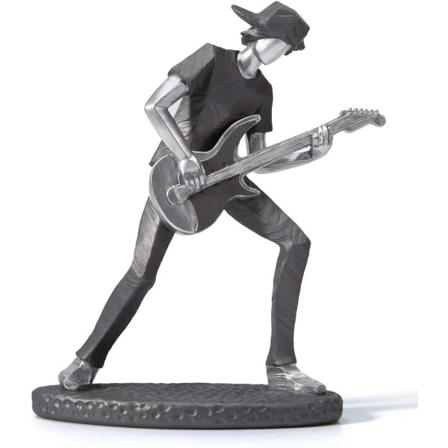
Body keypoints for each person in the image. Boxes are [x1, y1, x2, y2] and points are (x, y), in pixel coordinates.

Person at [59, 2, 332, 394]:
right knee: (142, 273)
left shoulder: (264, 92)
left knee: (296, 242)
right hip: (176, 181)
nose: (283, 53)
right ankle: (84, 361)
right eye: (283, 43)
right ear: (261, 36)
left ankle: (282, 367)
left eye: (288, 49)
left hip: (227, 182)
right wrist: (185, 157)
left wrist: (309, 155)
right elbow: (154, 105)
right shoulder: (210, 57)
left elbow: (258, 161)